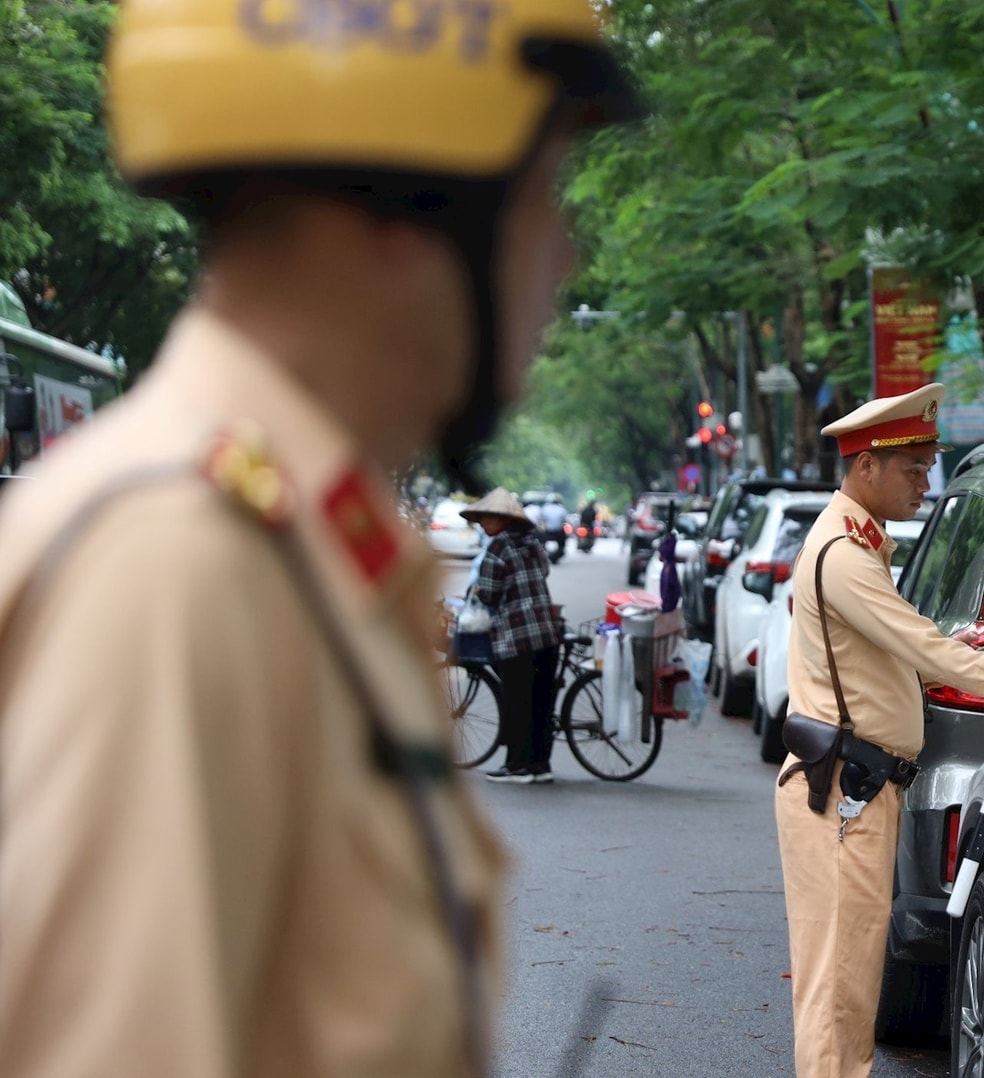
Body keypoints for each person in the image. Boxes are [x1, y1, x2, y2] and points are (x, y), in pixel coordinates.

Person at [0, 0, 639, 1069]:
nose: (565, 255)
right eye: (539, 199)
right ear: (401, 212)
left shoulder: (303, 548)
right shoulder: (180, 565)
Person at [775, 383, 984, 1078]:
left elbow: (900, 663)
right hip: (843, 791)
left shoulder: (860, 545)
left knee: (852, 980)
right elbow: (925, 648)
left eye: (927, 468)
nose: (926, 484)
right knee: (839, 986)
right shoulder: (843, 555)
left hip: (858, 786)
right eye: (913, 469)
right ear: (867, 467)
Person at [464, 489, 565, 784]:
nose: (483, 523)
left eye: (487, 518)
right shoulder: (532, 543)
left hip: (518, 637)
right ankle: (540, 764)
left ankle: (517, 765)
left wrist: (480, 592)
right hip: (547, 633)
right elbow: (544, 572)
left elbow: (491, 593)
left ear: (502, 519)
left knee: (518, 701)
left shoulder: (497, 548)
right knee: (542, 702)